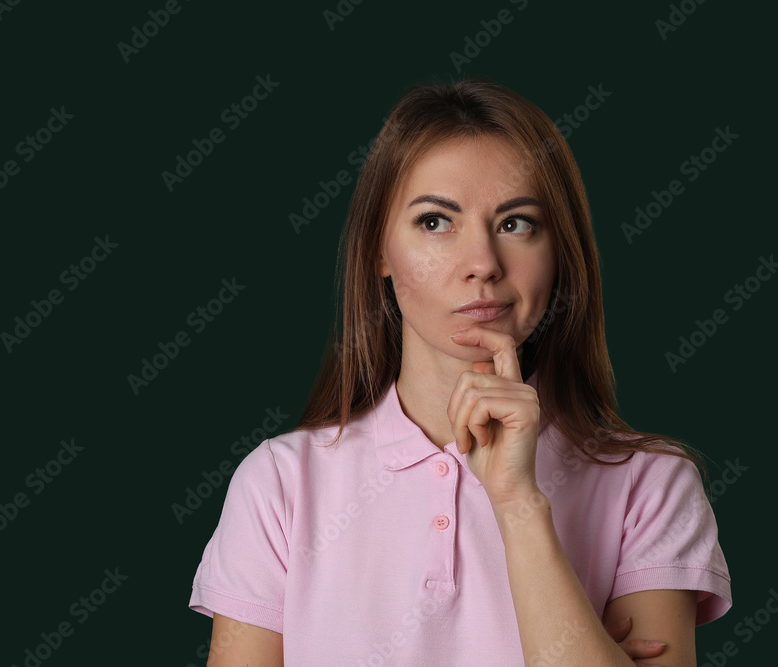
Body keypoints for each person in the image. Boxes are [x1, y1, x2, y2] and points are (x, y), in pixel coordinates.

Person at [187, 78, 732, 666]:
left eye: (517, 223)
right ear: (378, 252)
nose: (482, 266)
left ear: (561, 251)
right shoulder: (280, 485)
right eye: (434, 222)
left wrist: (518, 503)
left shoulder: (650, 485)